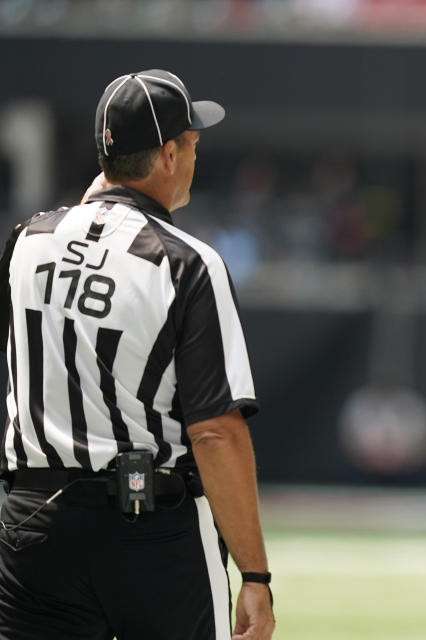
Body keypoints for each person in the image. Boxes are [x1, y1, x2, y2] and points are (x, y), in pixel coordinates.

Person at [0, 70, 274, 640]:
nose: (196, 157)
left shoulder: (26, 240)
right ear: (168, 154)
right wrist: (254, 571)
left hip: (30, 526)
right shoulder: (187, 263)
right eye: (194, 144)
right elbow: (216, 432)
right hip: (147, 531)